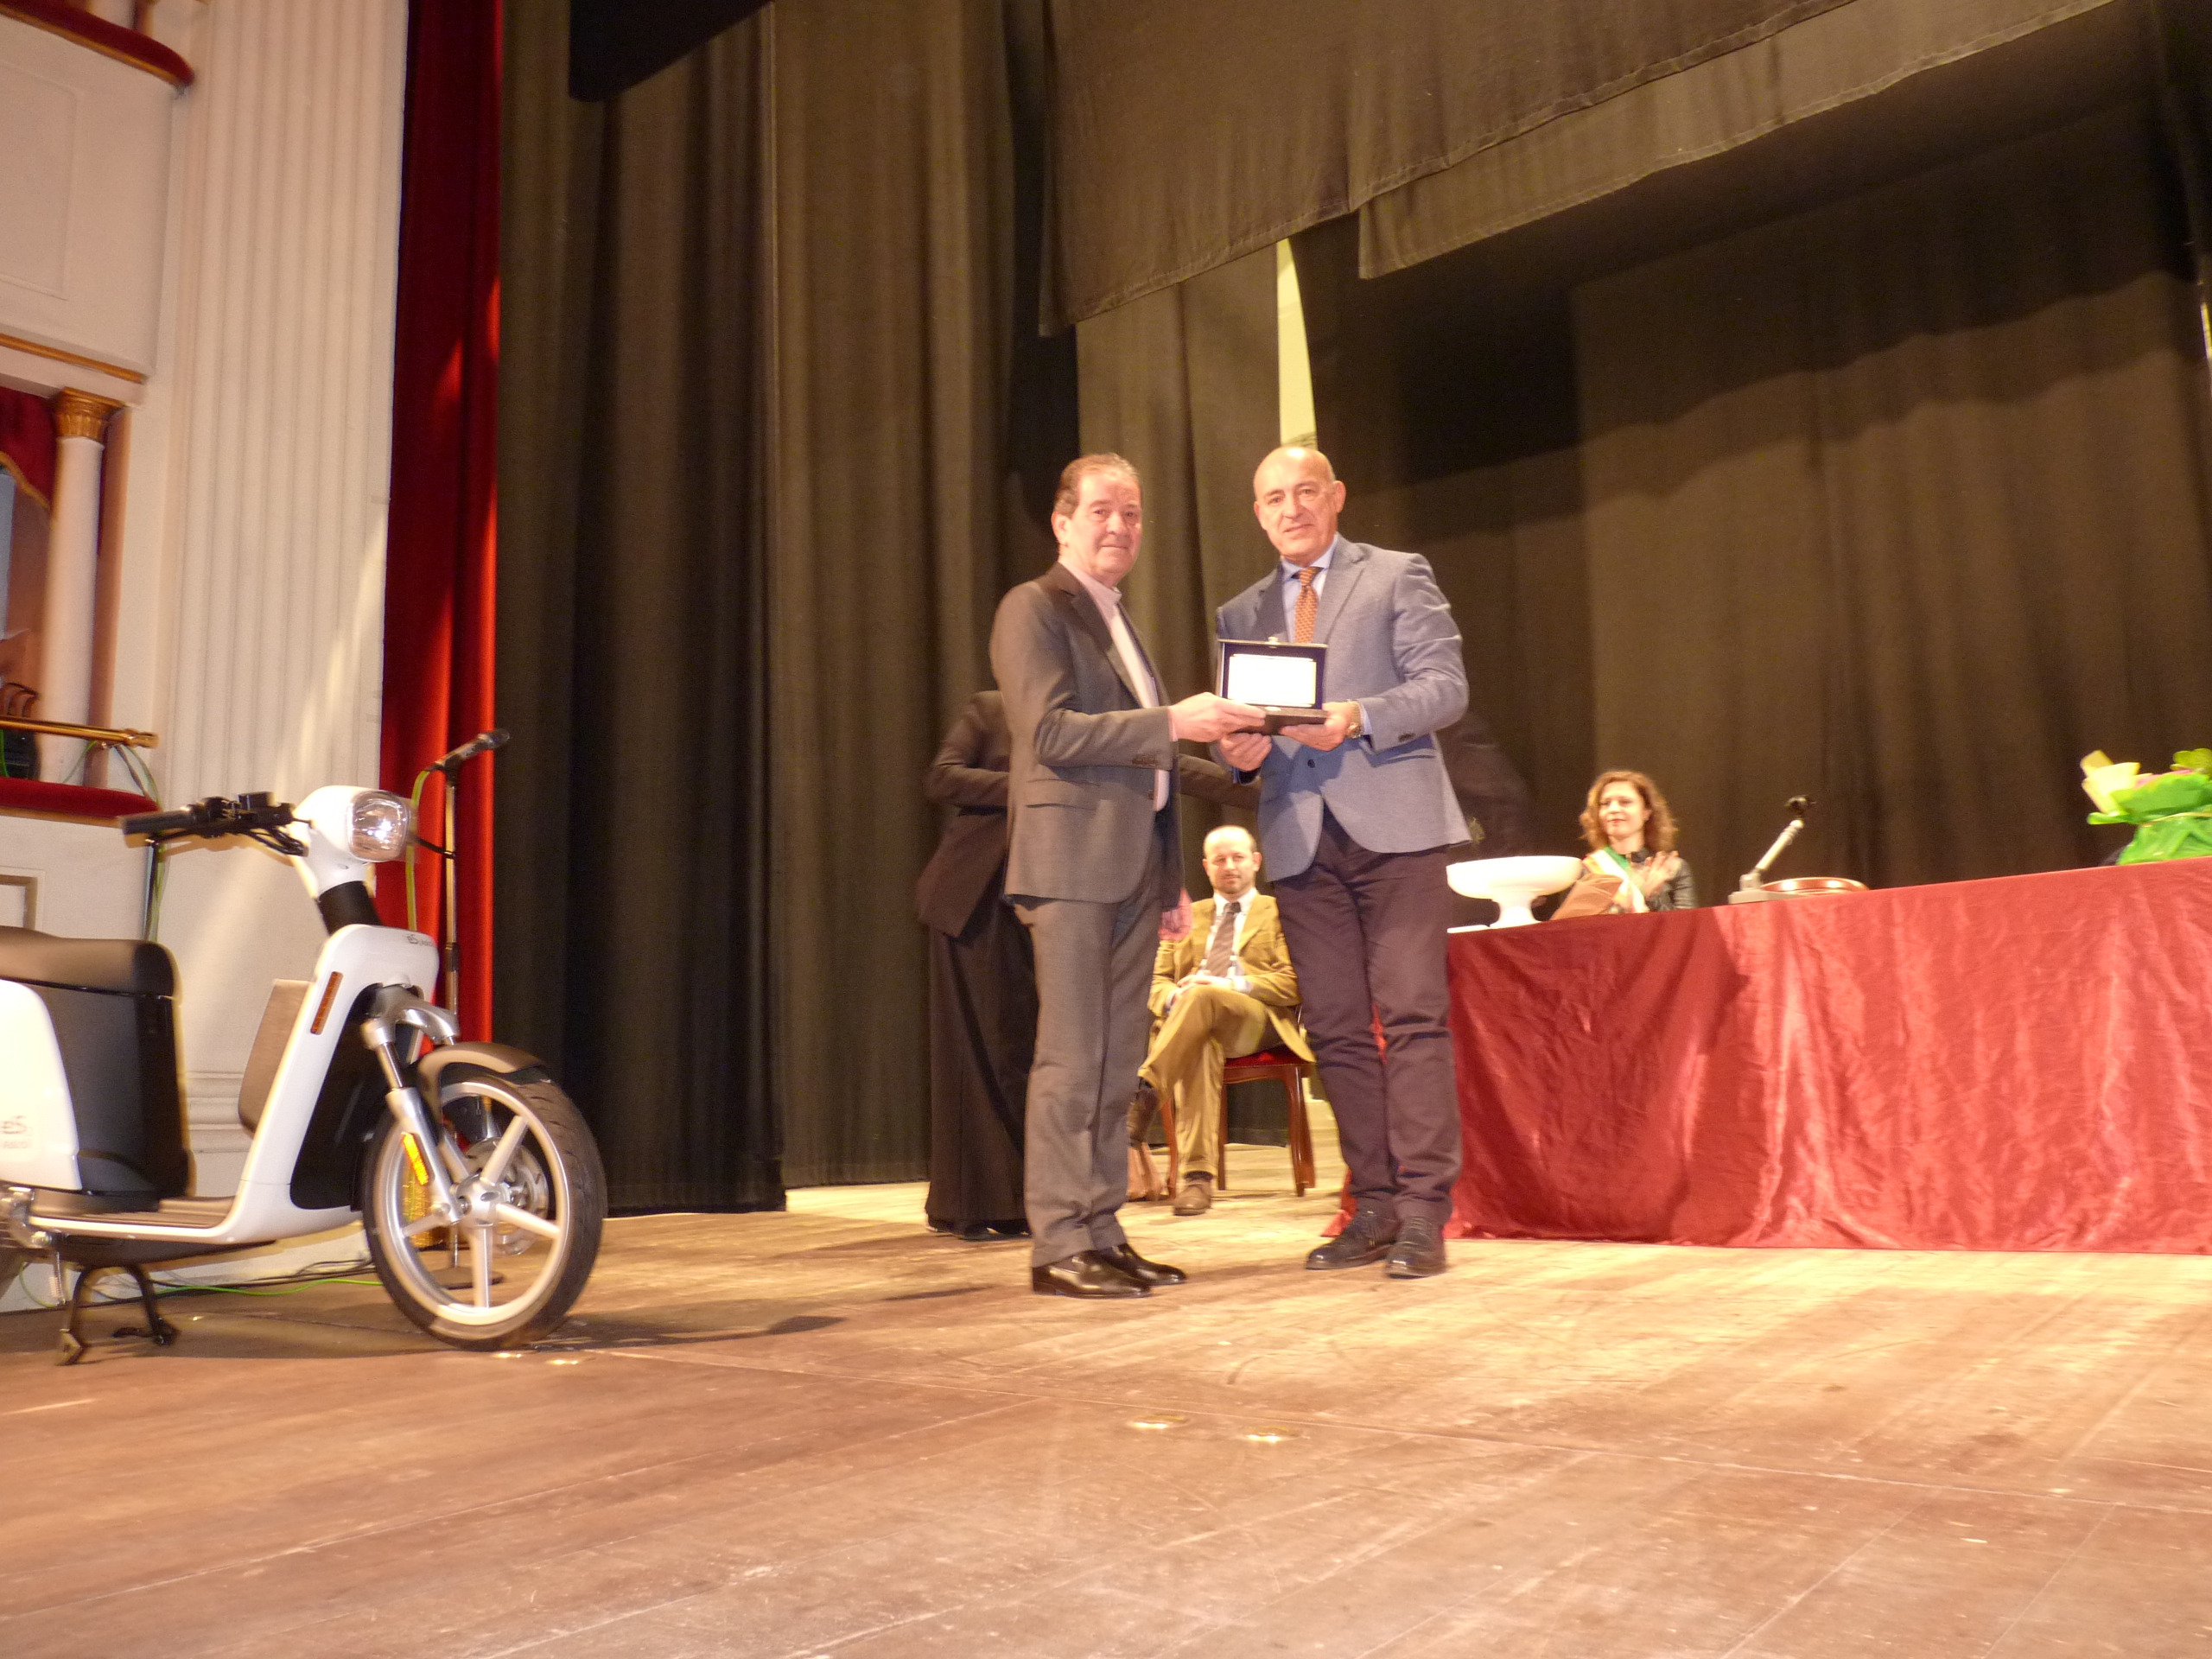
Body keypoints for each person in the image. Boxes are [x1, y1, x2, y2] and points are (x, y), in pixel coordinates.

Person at [989, 454, 1263, 1299]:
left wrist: (1168, 874)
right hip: (1070, 867)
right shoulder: (1033, 606)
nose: (1119, 526)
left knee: (1116, 1069)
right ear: (1062, 521)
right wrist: (1173, 719)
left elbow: (1150, 772)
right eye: (1102, 510)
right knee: (1072, 1062)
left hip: (1131, 871)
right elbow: (1052, 734)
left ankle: (1102, 1232)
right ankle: (1057, 1244)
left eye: (1132, 514)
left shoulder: (1118, 618)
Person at [1217, 445, 1470, 1279]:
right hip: (1299, 839)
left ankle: (1425, 1212)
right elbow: (1236, 737)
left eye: (1305, 492)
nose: (1291, 508)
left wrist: (1357, 715)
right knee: (1334, 1031)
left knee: (1412, 1017)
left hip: (1396, 828)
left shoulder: (1396, 574)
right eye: (1273, 498)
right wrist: (1238, 755)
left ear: (1336, 497)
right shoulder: (1240, 611)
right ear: (1259, 514)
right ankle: (1375, 1205)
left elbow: (1445, 687)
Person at [917, 692, 1257, 1242]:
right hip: (978, 896)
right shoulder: (992, 709)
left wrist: (1278, 788)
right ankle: (978, 1201)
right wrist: (1039, 789)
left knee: (1041, 1049)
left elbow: (1185, 770)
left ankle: (1030, 1198)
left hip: (1060, 896)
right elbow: (942, 777)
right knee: (985, 1050)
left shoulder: (1107, 725)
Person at [1134, 823, 1310, 1217]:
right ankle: (1197, 1178)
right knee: (1199, 1039)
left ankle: (1146, 1092)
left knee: (1204, 995)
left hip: (1255, 1021)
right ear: (1206, 866)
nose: (1229, 866)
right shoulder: (1184, 916)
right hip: (1193, 1024)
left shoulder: (1280, 912)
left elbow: (1293, 982)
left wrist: (1227, 984)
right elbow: (1155, 981)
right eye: (1220, 860)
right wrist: (1177, 996)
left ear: (1256, 862)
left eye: (1238, 858)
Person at [1579, 769, 1696, 912]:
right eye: (1605, 803)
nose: (1613, 809)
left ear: (1646, 811)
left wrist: (1652, 898)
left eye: (1625, 802)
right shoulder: (1587, 871)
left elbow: (1686, 924)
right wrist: (1633, 900)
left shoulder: (1674, 868)